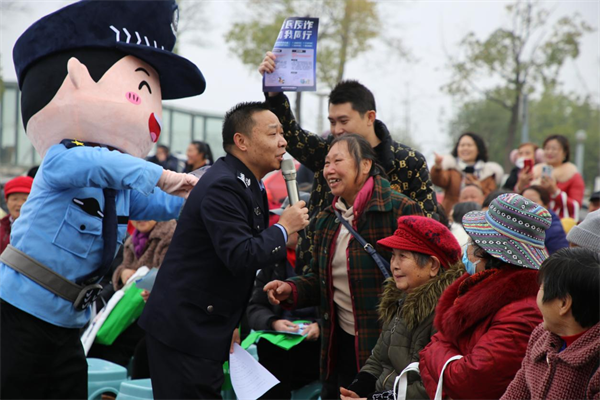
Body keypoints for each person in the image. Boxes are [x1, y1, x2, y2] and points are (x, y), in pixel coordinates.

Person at [1, 1, 203, 398]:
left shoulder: (117, 190)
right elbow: (101, 164)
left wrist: (207, 195)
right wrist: (164, 175)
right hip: (19, 312)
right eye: (140, 90)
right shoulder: (62, 157)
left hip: (68, 323)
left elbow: (160, 204)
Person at [139, 101, 309, 400]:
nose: (283, 142)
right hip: (185, 330)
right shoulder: (224, 185)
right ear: (241, 141)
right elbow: (241, 254)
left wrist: (232, 322)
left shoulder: (245, 182)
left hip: (204, 324)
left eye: (282, 134)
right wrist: (284, 228)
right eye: (273, 134)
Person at [264, 134, 424, 400]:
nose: (329, 170)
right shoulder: (327, 219)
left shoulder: (400, 210)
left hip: (387, 349)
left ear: (365, 165)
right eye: (327, 163)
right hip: (339, 347)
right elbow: (320, 279)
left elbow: (423, 281)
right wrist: (291, 289)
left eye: (338, 161)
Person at [260, 53, 438, 273]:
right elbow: (293, 136)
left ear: (370, 117)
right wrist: (275, 92)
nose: (337, 130)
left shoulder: (409, 162)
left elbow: (429, 226)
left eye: (344, 121)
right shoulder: (326, 150)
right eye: (332, 122)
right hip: (322, 277)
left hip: (385, 279)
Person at [419, 193, 550, 400]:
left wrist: (436, 351)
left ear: (489, 254)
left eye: (472, 243)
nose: (467, 249)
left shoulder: (522, 312)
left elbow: (468, 382)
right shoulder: (477, 291)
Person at [340, 216, 464, 400]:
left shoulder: (445, 314)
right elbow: (378, 359)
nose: (394, 265)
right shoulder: (401, 300)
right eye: (393, 255)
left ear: (433, 265)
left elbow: (432, 386)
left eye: (402, 256)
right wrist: (357, 390)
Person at [246, 193, 320, 400]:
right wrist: (274, 323)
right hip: (281, 343)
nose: (284, 227)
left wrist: (321, 327)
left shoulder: (324, 260)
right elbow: (255, 306)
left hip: (315, 347)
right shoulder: (274, 259)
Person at [501, 248, 600, 400]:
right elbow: (517, 392)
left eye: (541, 288)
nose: (537, 295)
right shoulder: (541, 337)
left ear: (563, 303)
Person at [431, 132, 504, 213]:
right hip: (452, 214)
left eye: (469, 145)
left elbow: (491, 197)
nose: (465, 148)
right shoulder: (451, 169)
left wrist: (479, 187)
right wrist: (438, 167)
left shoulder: (488, 172)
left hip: (479, 214)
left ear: (478, 149)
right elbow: (438, 181)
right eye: (462, 145)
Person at [532, 134, 584, 221]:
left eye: (554, 149)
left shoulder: (573, 175)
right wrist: (521, 184)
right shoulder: (535, 173)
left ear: (565, 153)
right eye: (547, 148)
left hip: (561, 223)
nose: (549, 152)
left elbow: (575, 206)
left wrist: (555, 192)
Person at [521, 186, 569, 254]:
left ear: (546, 204)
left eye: (533, 201)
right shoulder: (515, 221)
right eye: (523, 201)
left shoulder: (555, 230)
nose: (526, 205)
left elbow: (560, 257)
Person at [0, 176, 33, 254]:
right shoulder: (1, 227)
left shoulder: (40, 228)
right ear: (6, 201)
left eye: (25, 199)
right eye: (14, 199)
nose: (19, 204)